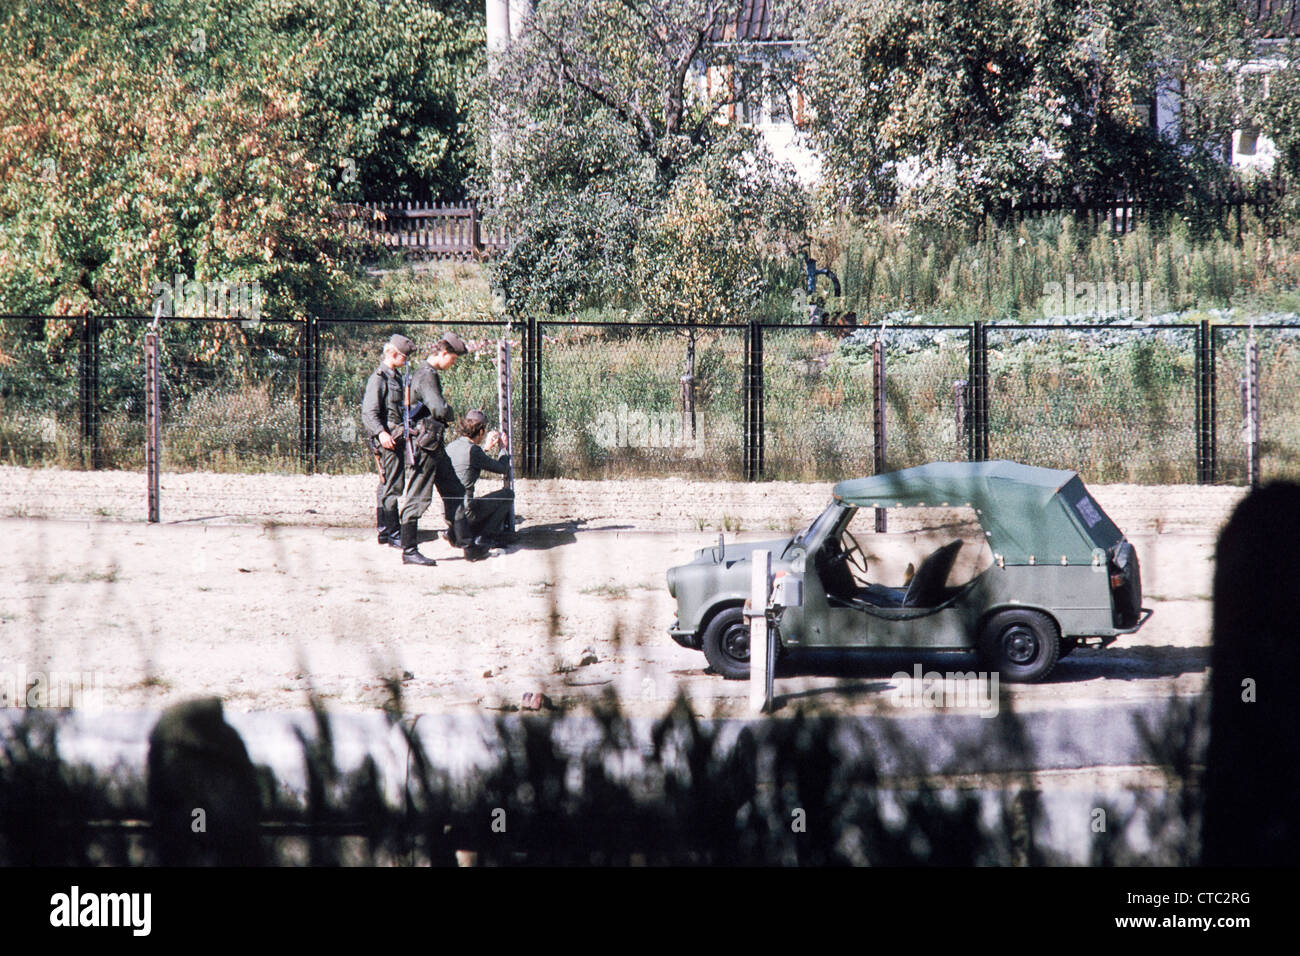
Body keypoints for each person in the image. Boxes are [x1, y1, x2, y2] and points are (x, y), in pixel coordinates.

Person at [397, 332, 468, 566]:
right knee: (418, 497)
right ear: (444, 353)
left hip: (433, 443)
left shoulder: (426, 373)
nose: (453, 364)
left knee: (454, 489)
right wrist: (450, 410)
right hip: (425, 444)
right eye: (454, 359)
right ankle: (409, 550)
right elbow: (438, 409)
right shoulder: (427, 375)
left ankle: (463, 540)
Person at [360, 333, 414, 548]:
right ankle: (393, 533)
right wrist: (381, 433)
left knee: (386, 484)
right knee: (393, 486)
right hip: (388, 440)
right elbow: (368, 412)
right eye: (404, 357)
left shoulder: (395, 376)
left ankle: (384, 530)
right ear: (393, 354)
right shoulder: (380, 378)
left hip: (395, 437)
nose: (406, 361)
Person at [445, 409, 514, 560]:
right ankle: (485, 537)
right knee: (508, 495)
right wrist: (503, 449)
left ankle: (456, 532)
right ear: (481, 431)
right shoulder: (474, 451)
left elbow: (469, 460)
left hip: (450, 512)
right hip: (466, 512)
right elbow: (502, 468)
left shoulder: (450, 447)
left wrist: (486, 448)